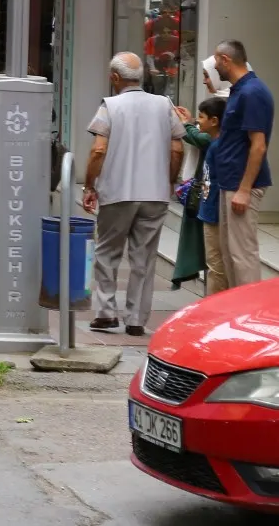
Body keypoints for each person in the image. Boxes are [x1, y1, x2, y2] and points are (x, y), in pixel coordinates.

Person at [81, 52, 184, 334]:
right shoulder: (165, 105)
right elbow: (177, 148)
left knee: (107, 252)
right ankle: (136, 319)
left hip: (117, 191)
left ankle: (105, 312)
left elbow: (98, 149)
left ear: (115, 78)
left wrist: (90, 185)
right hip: (155, 193)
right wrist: (169, 181)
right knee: (144, 257)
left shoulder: (110, 106)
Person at [201, 40, 272, 291]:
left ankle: (249, 317)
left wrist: (244, 188)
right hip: (229, 183)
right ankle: (235, 315)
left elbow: (259, 145)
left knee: (242, 257)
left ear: (225, 60)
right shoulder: (240, 90)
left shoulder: (252, 92)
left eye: (216, 61)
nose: (214, 67)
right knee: (231, 256)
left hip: (240, 185)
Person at [172, 96, 223, 289]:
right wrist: (192, 121)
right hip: (207, 203)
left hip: (212, 204)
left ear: (215, 120)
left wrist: (187, 124)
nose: (205, 80)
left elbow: (201, 138)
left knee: (215, 260)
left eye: (202, 117)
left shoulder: (217, 142)